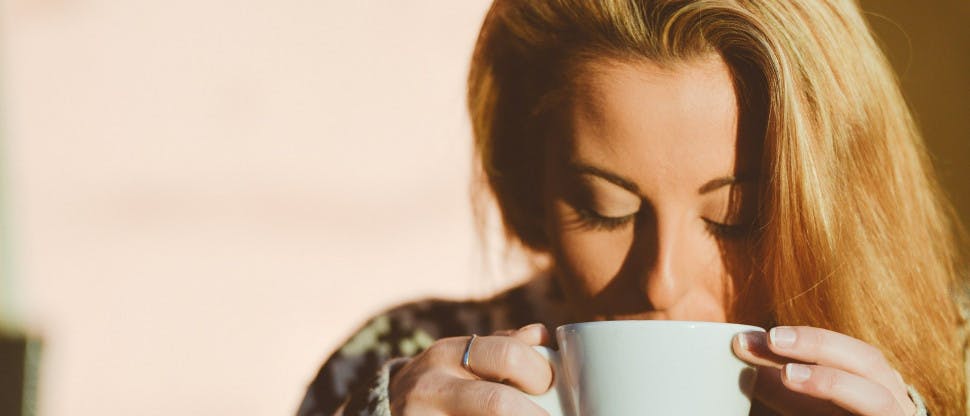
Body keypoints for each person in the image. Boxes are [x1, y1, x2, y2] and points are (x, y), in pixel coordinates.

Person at [297, 0, 968, 414]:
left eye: (738, 218)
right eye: (605, 209)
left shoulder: (956, 354)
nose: (661, 282)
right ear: (532, 182)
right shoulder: (402, 360)